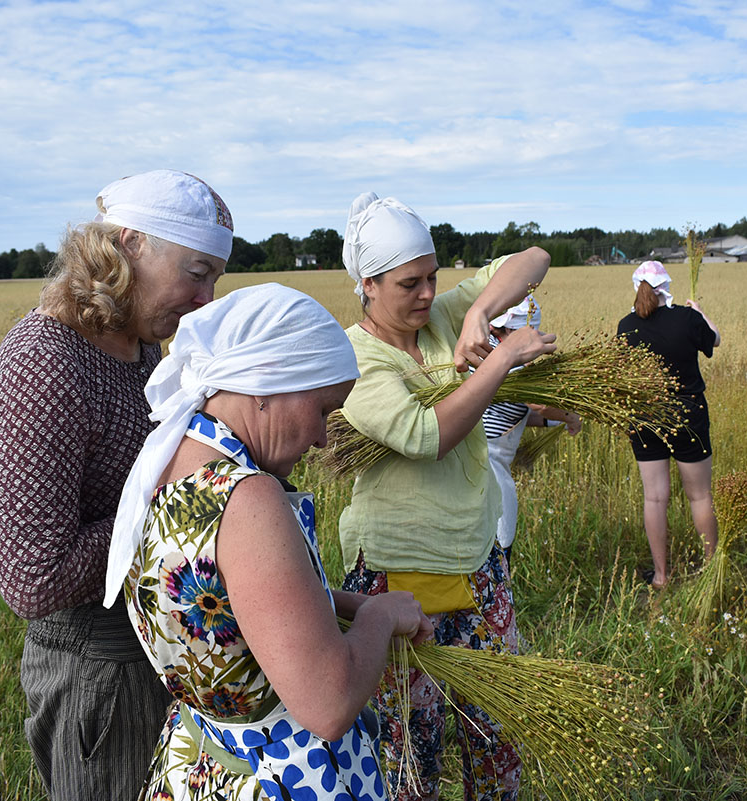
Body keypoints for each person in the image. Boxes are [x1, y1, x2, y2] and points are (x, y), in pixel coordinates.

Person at [105, 283, 433, 800]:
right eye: (323, 409)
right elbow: (328, 705)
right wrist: (380, 616)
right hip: (275, 777)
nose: (323, 438)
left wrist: (342, 604)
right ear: (267, 383)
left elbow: (228, 608)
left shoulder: (168, 462)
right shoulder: (247, 498)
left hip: (201, 764)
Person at [0, 169, 233, 801]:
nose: (205, 299)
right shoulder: (45, 363)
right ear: (129, 246)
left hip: (157, 646)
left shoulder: (141, 347)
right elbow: (33, 579)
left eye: (215, 278)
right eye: (196, 272)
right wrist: (174, 501)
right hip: (97, 673)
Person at [336, 191, 556, 801]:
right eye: (410, 284)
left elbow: (534, 258)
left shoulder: (441, 319)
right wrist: (501, 360)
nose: (428, 293)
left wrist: (480, 311)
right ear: (368, 285)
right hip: (396, 577)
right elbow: (426, 435)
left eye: (433, 277)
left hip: (478, 561)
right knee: (411, 750)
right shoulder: (356, 358)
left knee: (497, 731)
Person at [616, 260, 721, 589]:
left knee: (654, 499)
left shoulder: (626, 326)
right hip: (688, 416)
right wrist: (700, 312)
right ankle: (711, 573)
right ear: (666, 286)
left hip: (644, 418)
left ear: (637, 287)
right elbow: (715, 340)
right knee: (699, 496)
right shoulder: (687, 318)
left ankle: (661, 576)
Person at [481, 295, 581, 567]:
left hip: (485, 461)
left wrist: (559, 421)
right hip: (487, 465)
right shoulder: (505, 358)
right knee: (498, 540)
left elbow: (515, 411)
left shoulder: (489, 347)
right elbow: (540, 404)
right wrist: (570, 417)